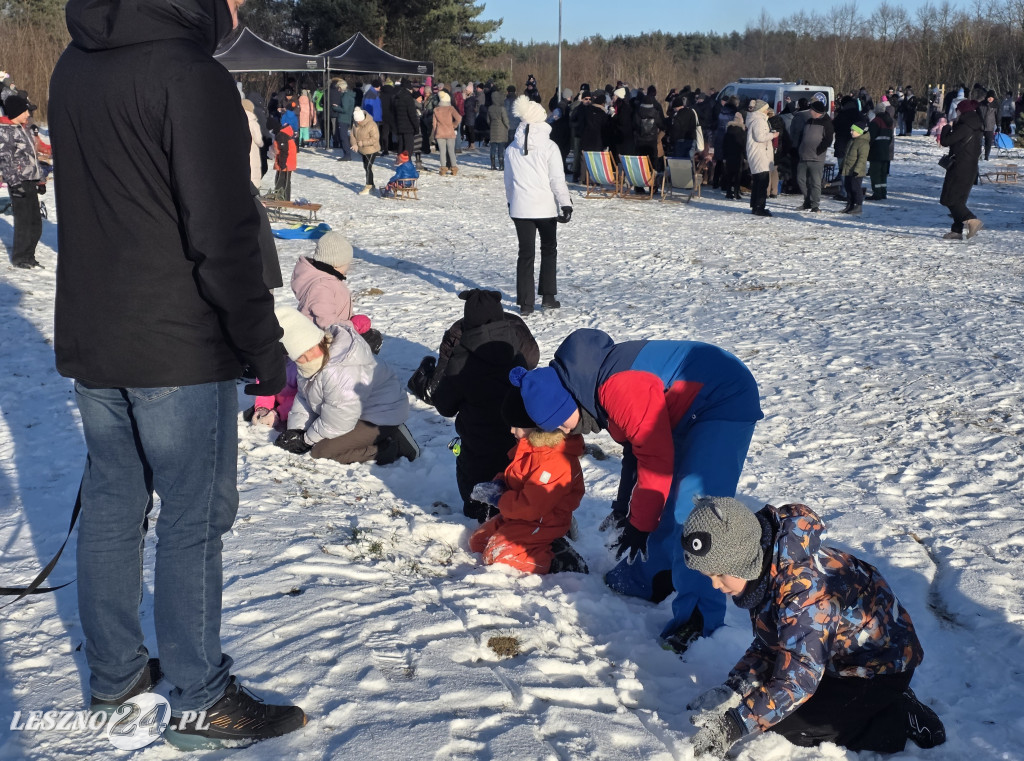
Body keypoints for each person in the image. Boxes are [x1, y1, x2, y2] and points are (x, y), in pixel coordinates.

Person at [48, 0, 306, 748]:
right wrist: (262, 345)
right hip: (176, 346)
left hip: (99, 333)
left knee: (114, 507)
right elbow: (222, 231)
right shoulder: (190, 76)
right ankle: (199, 698)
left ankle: (117, 676)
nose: (238, 10)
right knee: (191, 519)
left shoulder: (75, 64)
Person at [515, 329, 763, 651]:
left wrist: (639, 523)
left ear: (567, 403)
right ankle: (653, 575)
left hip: (723, 399)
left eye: (562, 423)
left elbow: (655, 459)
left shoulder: (617, 388)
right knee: (666, 497)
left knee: (694, 512)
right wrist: (625, 509)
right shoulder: (592, 384)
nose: (566, 431)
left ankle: (699, 621)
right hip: (689, 407)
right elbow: (635, 452)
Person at [681, 496, 945, 758]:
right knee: (767, 708)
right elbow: (771, 643)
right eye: (709, 576)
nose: (715, 585)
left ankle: (899, 715)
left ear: (742, 559)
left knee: (792, 727)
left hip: (877, 668)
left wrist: (733, 725)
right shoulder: (765, 567)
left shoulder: (803, 588)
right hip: (829, 658)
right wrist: (734, 688)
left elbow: (799, 679)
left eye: (719, 574)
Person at [407, 289, 539, 521]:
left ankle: (479, 508)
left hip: (477, 450)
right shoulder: (516, 353)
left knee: (475, 497)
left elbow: (445, 406)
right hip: (515, 446)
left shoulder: (461, 361)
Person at [468, 377, 587, 574]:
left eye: (517, 425)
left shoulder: (555, 461)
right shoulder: (530, 446)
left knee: (498, 556)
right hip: (519, 515)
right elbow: (518, 475)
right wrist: (501, 483)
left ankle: (557, 560)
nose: (511, 430)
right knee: (478, 542)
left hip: (543, 521)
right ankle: (544, 545)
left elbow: (532, 506)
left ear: (538, 425)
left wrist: (500, 499)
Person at [273, 307, 416, 464]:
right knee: (318, 441)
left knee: (321, 451)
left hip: (381, 414)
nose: (309, 358)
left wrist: (306, 439)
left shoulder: (342, 369)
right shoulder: (308, 366)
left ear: (319, 339)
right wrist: (297, 429)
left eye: (311, 348)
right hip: (351, 413)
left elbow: (339, 421)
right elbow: (304, 396)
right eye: (300, 356)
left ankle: (391, 447)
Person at [504, 95, 572, 316]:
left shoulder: (511, 149)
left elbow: (508, 181)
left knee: (525, 254)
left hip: (520, 208)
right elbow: (556, 179)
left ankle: (525, 303)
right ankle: (548, 297)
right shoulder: (549, 147)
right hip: (544, 208)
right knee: (548, 250)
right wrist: (565, 203)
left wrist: (510, 202)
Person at [0, 94, 44, 269]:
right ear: (17, 112)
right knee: (24, 222)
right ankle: (21, 257)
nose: (28, 114)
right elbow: (5, 160)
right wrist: (14, 183)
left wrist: (40, 180)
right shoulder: (5, 131)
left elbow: (32, 157)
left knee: (35, 222)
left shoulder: (23, 129)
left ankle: (30, 255)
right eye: (26, 111)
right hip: (19, 182)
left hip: (30, 180)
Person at [939, 99, 984, 240]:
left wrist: (946, 127)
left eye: (957, 110)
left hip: (960, 168)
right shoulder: (975, 125)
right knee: (958, 200)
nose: (956, 112)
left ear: (962, 111)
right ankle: (957, 230)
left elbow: (946, 141)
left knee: (948, 199)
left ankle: (971, 220)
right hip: (970, 168)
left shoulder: (965, 126)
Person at [795, 101, 833, 212]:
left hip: (816, 158)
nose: (810, 111)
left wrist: (818, 151)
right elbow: (802, 136)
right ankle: (807, 201)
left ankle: (815, 204)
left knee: (815, 182)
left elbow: (828, 140)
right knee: (801, 179)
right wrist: (800, 148)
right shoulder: (809, 121)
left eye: (812, 109)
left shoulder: (827, 123)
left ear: (817, 112)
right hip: (804, 156)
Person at [745, 99, 776, 217]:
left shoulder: (755, 119)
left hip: (757, 154)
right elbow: (760, 137)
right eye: (766, 109)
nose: (768, 111)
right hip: (760, 155)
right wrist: (773, 135)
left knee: (758, 181)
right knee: (762, 182)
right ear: (762, 110)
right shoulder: (759, 121)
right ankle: (759, 207)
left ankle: (755, 205)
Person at [839, 119, 869, 215]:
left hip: (856, 172)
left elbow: (862, 159)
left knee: (855, 188)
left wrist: (857, 170)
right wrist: (842, 166)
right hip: (848, 169)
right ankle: (850, 204)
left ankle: (858, 205)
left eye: (853, 130)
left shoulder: (863, 143)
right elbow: (847, 155)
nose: (851, 132)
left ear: (859, 131)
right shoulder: (852, 141)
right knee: (848, 188)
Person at [351, 106, 380, 195]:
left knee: (368, 167)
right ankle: (372, 184)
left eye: (359, 121)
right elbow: (352, 135)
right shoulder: (355, 124)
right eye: (357, 121)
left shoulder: (372, 125)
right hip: (362, 149)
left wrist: (363, 143)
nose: (358, 122)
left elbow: (375, 139)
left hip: (372, 149)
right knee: (366, 167)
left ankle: (368, 186)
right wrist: (354, 144)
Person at [867, 110, 894, 200]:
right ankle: (883, 192)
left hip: (875, 152)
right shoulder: (889, 123)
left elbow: (870, 137)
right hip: (885, 152)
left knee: (875, 174)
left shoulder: (875, 122)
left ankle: (877, 193)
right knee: (883, 174)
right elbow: (890, 138)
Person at [433, 90, 462, 176]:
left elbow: (434, 124)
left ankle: (443, 169)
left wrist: (435, 132)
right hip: (450, 131)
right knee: (451, 151)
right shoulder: (451, 108)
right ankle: (453, 168)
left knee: (442, 151)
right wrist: (454, 125)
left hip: (440, 132)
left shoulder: (436, 110)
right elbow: (459, 118)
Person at [273, 103, 297, 200]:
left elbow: (284, 151)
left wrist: (282, 164)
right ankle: (284, 199)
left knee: (281, 182)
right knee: (285, 181)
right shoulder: (286, 134)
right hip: (287, 162)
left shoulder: (282, 136)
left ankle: (280, 200)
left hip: (284, 163)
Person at [722, 109, 746, 200]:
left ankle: (728, 192)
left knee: (729, 174)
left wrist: (724, 155)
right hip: (738, 155)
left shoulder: (728, 130)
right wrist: (745, 155)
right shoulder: (742, 131)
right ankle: (736, 192)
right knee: (737, 174)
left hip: (729, 155)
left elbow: (724, 144)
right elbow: (743, 144)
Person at [331, 78, 356, 160]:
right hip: (347, 118)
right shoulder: (349, 95)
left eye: (338, 87)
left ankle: (347, 154)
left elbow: (344, 109)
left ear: (341, 88)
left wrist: (336, 107)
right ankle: (347, 154)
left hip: (343, 119)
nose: (338, 89)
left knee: (343, 137)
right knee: (344, 136)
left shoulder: (345, 96)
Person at [241, 99, 263, 187]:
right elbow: (258, 140)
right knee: (253, 171)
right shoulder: (252, 122)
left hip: (241, 149)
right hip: (252, 149)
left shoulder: (236, 120)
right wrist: (261, 144)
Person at [977, 90, 998, 161]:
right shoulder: (981, 104)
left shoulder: (995, 105)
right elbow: (977, 114)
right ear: (987, 97)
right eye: (989, 97)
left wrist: (998, 125)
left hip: (990, 126)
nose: (990, 99)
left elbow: (997, 116)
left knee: (988, 143)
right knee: (979, 142)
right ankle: (979, 155)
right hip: (980, 126)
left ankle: (986, 156)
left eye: (992, 97)